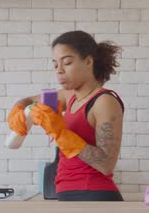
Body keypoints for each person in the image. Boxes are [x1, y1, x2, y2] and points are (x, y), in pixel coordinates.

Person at [8, 30, 125, 201]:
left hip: (94, 194)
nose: (59, 70)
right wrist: (18, 111)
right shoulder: (68, 96)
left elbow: (106, 164)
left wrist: (61, 134)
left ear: (88, 62)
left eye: (67, 62)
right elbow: (28, 100)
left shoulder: (104, 101)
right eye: (55, 65)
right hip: (65, 192)